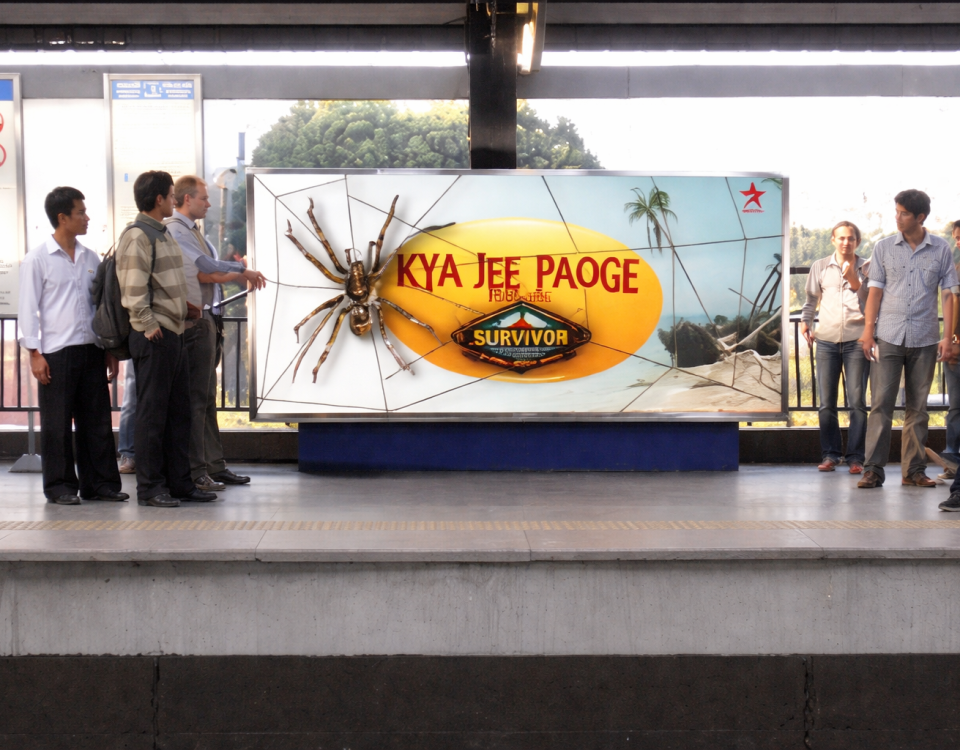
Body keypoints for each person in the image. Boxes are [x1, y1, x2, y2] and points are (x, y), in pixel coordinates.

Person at [18, 186, 128, 505]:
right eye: (80, 212)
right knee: (57, 425)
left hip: (91, 350)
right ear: (62, 217)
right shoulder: (37, 260)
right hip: (55, 353)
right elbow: (28, 310)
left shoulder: (90, 258)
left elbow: (101, 307)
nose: (86, 217)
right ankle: (61, 487)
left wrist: (108, 349)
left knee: (97, 420)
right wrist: (34, 354)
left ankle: (101, 484)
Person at [116, 170, 216, 508]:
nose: (175, 200)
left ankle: (179, 484)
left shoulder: (162, 233)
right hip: (155, 335)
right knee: (153, 415)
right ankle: (150, 488)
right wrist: (147, 323)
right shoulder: (137, 235)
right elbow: (132, 288)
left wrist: (183, 307)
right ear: (159, 199)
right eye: (171, 194)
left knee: (179, 413)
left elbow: (162, 282)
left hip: (174, 330)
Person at [165, 175, 266, 492]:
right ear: (185, 199)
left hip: (209, 318)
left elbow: (209, 271)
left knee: (207, 399)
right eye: (203, 198)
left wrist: (235, 272)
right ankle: (197, 471)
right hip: (192, 322)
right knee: (196, 399)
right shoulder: (175, 230)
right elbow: (205, 267)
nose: (209, 204)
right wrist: (242, 270)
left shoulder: (194, 232)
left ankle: (214, 465)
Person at [858, 189, 958, 489]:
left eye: (903, 213)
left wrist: (948, 338)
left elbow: (949, 295)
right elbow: (874, 292)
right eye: (897, 212)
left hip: (925, 338)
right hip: (888, 335)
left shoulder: (941, 249)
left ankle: (913, 471)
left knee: (918, 407)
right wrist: (867, 332)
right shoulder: (884, 248)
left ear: (920, 217)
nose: (897, 217)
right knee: (881, 405)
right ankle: (873, 470)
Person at [800, 221, 870, 474]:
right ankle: (830, 454)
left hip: (857, 340)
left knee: (857, 403)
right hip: (827, 342)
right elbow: (810, 301)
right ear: (833, 240)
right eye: (841, 238)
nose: (845, 242)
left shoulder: (867, 267)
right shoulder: (819, 266)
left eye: (851, 238)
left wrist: (854, 279)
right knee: (826, 403)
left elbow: (870, 304)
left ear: (857, 242)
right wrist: (806, 322)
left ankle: (856, 457)